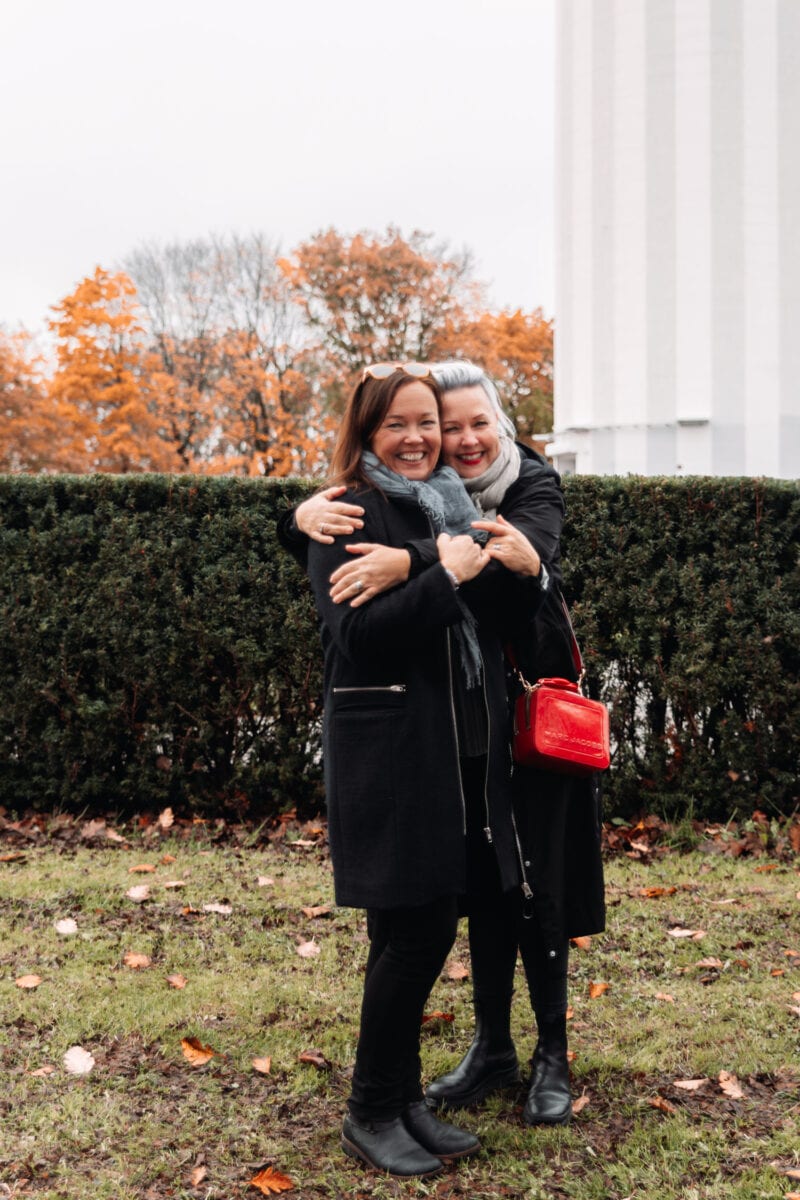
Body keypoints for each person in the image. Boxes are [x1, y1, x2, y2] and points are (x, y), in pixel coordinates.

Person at [283, 361, 605, 1128]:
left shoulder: (524, 486)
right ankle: (447, 1071)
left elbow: (502, 575)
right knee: (449, 910)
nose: (447, 437)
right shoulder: (399, 507)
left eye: (464, 424)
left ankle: (544, 1056)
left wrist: (433, 562)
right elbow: (357, 602)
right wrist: (297, 519)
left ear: (500, 423)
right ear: (368, 432)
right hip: (439, 746)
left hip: (529, 720)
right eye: (417, 423)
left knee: (532, 890)